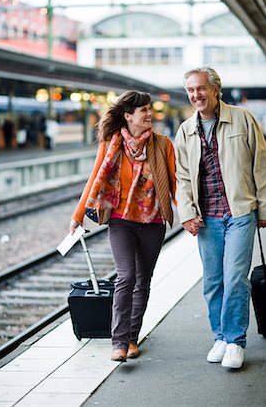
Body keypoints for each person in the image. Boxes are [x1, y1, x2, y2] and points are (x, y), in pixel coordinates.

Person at [175, 68, 266, 369]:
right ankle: (219, 336)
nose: (196, 95)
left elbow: (261, 166)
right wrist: (187, 214)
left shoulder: (242, 119)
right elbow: (182, 177)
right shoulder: (185, 130)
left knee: (235, 279)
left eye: (201, 89)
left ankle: (235, 341)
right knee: (214, 281)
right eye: (191, 90)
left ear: (216, 90)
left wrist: (265, 210)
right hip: (207, 219)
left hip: (240, 212)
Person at [69, 90, 176, 362]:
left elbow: (175, 185)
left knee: (143, 281)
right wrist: (78, 214)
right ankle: (118, 341)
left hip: (153, 222)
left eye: (150, 109)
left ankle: (131, 338)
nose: (150, 114)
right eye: (144, 110)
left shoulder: (163, 145)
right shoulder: (111, 143)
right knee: (126, 276)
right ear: (128, 116)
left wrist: (189, 215)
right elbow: (95, 177)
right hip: (120, 221)